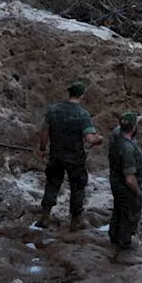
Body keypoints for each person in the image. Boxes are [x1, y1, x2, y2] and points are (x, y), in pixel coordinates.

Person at [37, 81, 103, 230]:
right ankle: (76, 220)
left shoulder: (53, 110)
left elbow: (44, 132)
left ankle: (45, 217)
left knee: (52, 185)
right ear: (82, 95)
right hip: (75, 158)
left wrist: (42, 149)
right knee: (77, 187)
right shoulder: (82, 114)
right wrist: (100, 139)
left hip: (56, 155)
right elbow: (90, 139)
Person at [108, 111, 142, 264]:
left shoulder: (115, 135)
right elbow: (130, 179)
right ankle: (124, 248)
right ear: (133, 128)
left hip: (115, 182)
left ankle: (113, 238)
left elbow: (125, 124)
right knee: (129, 215)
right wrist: (138, 193)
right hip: (127, 186)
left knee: (118, 210)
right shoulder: (128, 148)